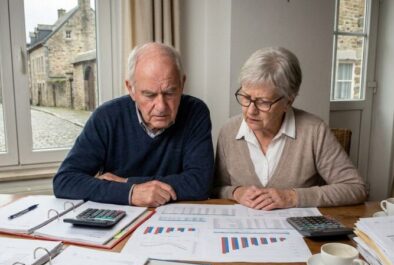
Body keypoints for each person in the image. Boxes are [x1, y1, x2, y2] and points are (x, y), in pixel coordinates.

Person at [53, 42, 214, 207]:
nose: (161, 106)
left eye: (170, 93)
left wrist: (127, 183)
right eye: (149, 95)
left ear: (182, 84)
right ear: (131, 88)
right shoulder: (106, 116)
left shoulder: (195, 111)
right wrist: (131, 194)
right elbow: (65, 181)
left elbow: (201, 183)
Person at [213, 46, 367, 210]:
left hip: (301, 233)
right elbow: (214, 188)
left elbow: (355, 188)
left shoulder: (314, 131)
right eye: (245, 97)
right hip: (242, 231)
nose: (251, 110)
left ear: (288, 101)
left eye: (263, 102)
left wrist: (292, 197)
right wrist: (236, 192)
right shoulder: (228, 131)